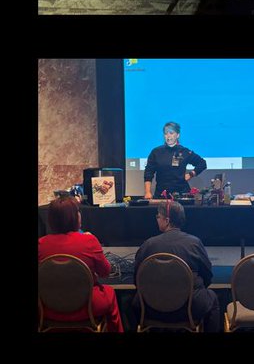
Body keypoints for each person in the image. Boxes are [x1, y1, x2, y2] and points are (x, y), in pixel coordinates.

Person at [38, 196, 124, 331]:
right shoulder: (89, 241)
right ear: (74, 217)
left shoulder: (40, 244)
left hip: (49, 308)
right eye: (78, 212)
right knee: (110, 292)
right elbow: (105, 272)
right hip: (87, 307)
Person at [133, 202, 222, 332]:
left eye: (158, 217)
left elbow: (137, 280)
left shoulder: (148, 245)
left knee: (134, 301)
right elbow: (207, 276)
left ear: (167, 220)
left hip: (152, 309)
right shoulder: (194, 243)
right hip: (189, 308)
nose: (156, 219)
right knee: (212, 297)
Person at [144, 122, 207, 199]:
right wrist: (147, 192)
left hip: (182, 195)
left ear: (177, 135)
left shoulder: (184, 151)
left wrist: (191, 174)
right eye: (166, 133)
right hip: (162, 195)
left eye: (171, 133)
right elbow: (148, 173)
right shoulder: (156, 152)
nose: (168, 136)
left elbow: (202, 163)